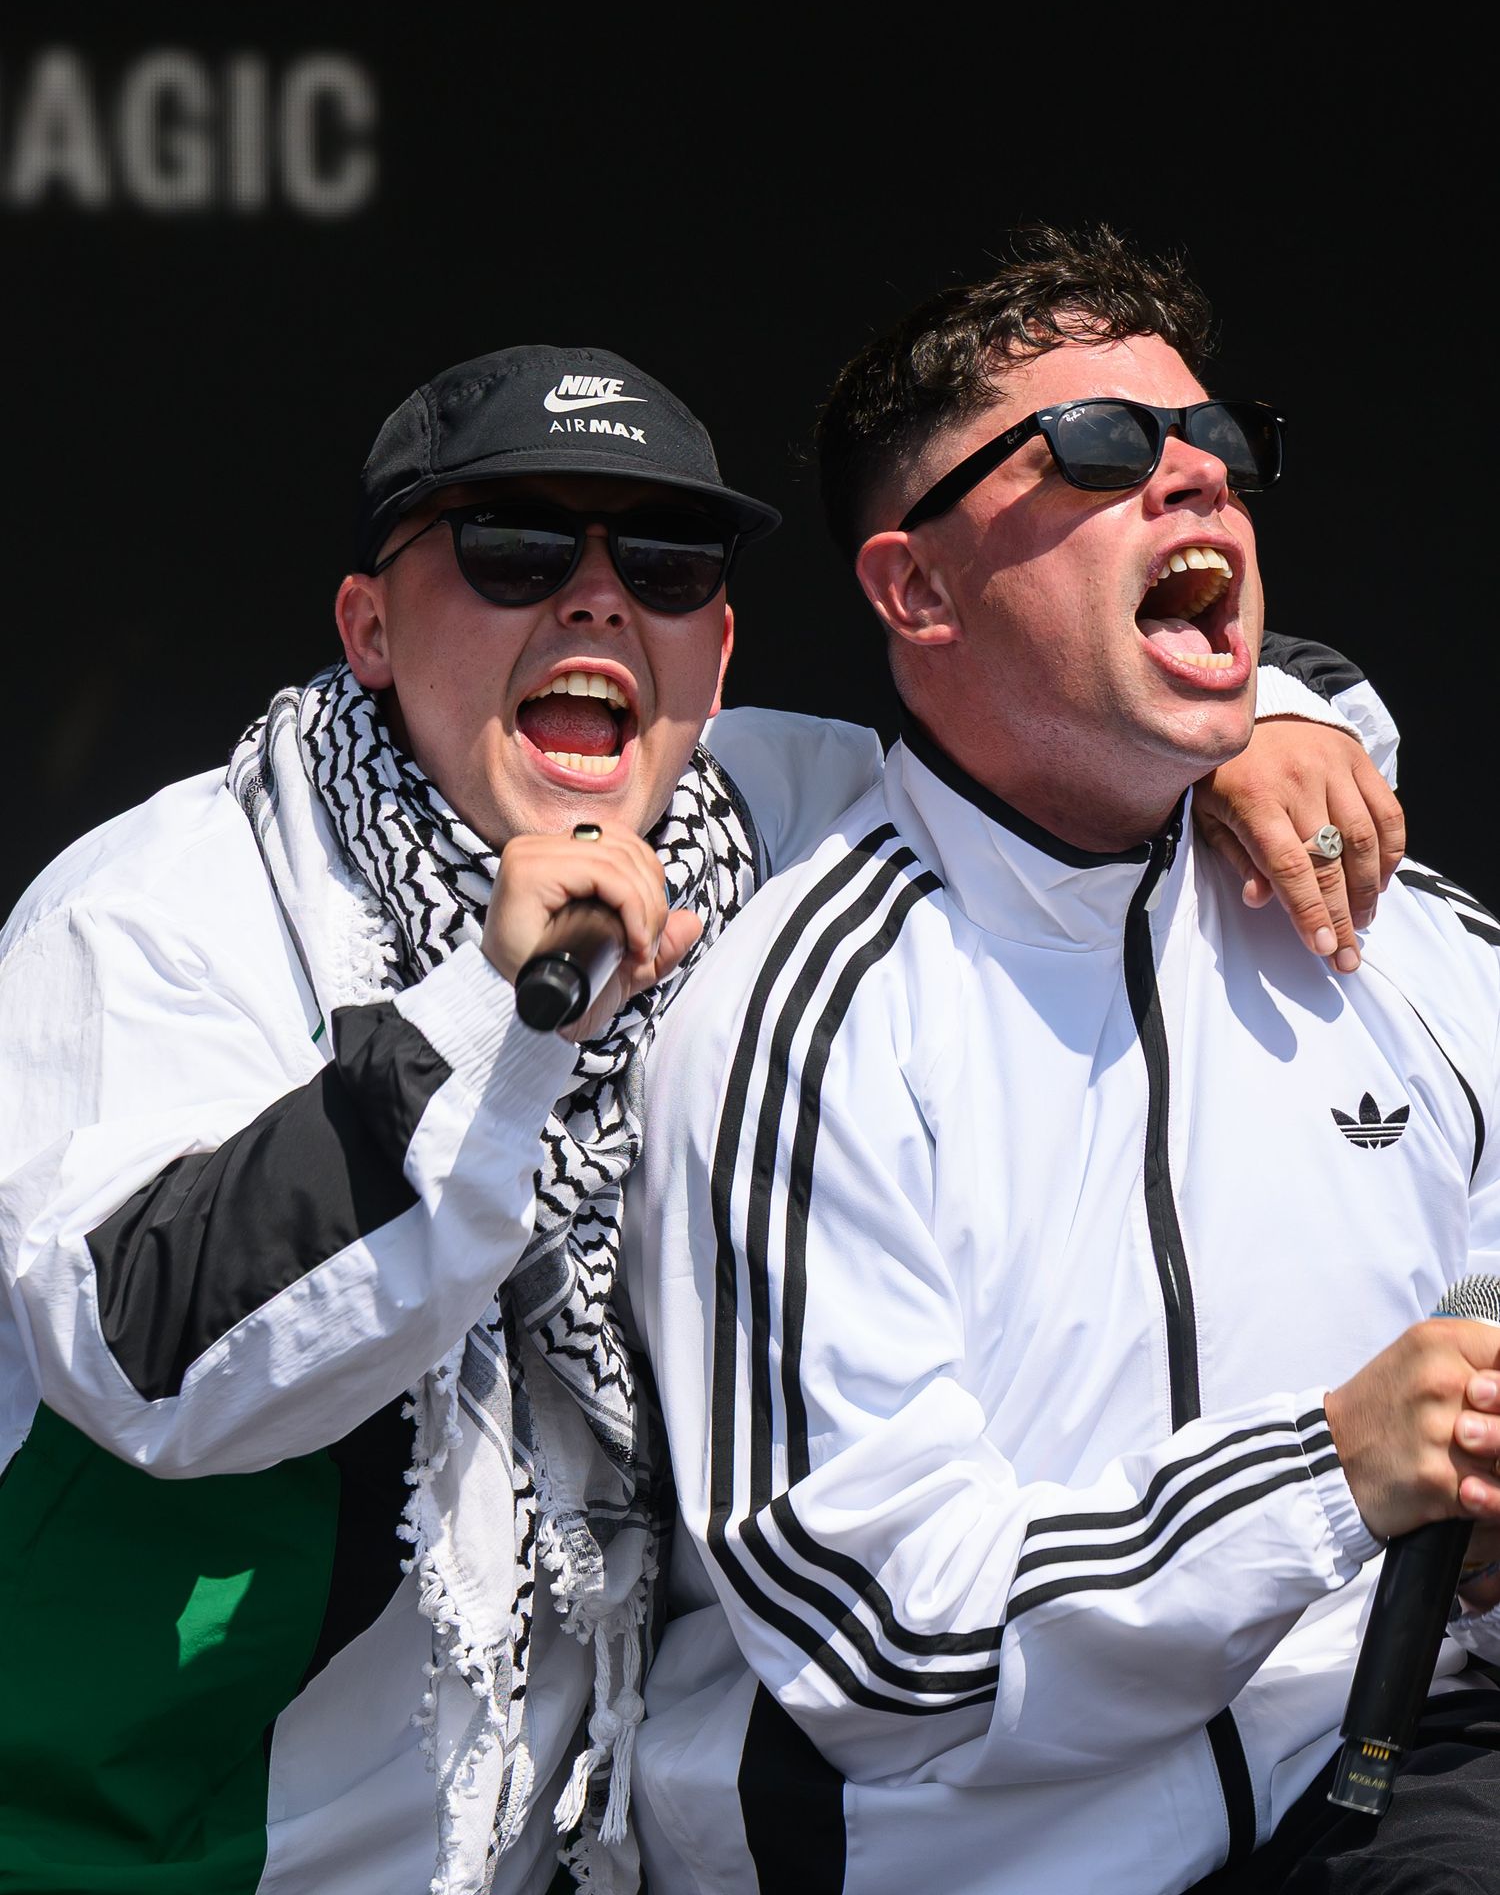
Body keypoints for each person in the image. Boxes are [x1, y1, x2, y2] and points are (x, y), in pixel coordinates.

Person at [0, 336, 1396, 1895]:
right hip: (142, 1843)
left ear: (717, 655)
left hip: (549, 1855)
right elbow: (154, 1360)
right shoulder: (164, 909)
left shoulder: (782, 827)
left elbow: (1070, 734)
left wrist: (1276, 727)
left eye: (662, 563)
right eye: (514, 543)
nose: (597, 599)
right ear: (370, 626)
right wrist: (492, 1011)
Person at [626, 227, 1500, 1895]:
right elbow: (884, 1650)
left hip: (1384, 1776)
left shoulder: (1402, 939)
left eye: (1221, 446)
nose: (1200, 486)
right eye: (1103, 450)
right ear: (917, 589)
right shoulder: (801, 1016)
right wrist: (1336, 1467)